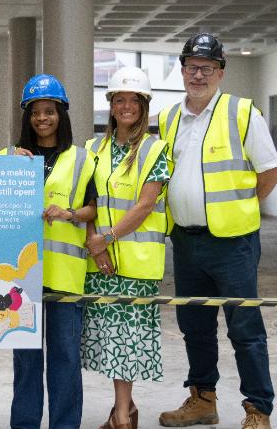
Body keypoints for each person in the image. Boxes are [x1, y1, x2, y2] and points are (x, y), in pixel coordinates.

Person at [157, 34, 277, 429]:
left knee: (244, 329)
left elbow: (270, 172)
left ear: (221, 73)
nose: (198, 75)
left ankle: (258, 408)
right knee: (194, 327)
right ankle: (202, 400)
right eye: (191, 67)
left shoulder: (242, 113)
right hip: (185, 240)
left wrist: (242, 210)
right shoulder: (168, 117)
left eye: (206, 68)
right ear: (182, 71)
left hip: (233, 245)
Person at [0, 73, 96, 429]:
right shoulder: (9, 156)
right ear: (27, 117)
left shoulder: (83, 159)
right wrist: (8, 165)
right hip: (20, 278)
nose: (42, 118)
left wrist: (69, 214)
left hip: (65, 276)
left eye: (49, 111)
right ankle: (24, 424)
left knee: (66, 358)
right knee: (25, 360)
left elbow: (92, 209)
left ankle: (65, 425)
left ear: (61, 114)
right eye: (35, 112)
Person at [80, 66, 169, 429]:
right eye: (120, 99)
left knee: (128, 344)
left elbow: (145, 205)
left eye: (134, 100)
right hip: (99, 261)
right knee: (110, 342)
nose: (127, 106)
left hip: (136, 263)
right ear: (111, 105)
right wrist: (93, 243)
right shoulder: (92, 149)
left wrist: (107, 239)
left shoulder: (155, 149)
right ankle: (125, 409)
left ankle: (121, 417)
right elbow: (87, 198)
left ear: (144, 106)